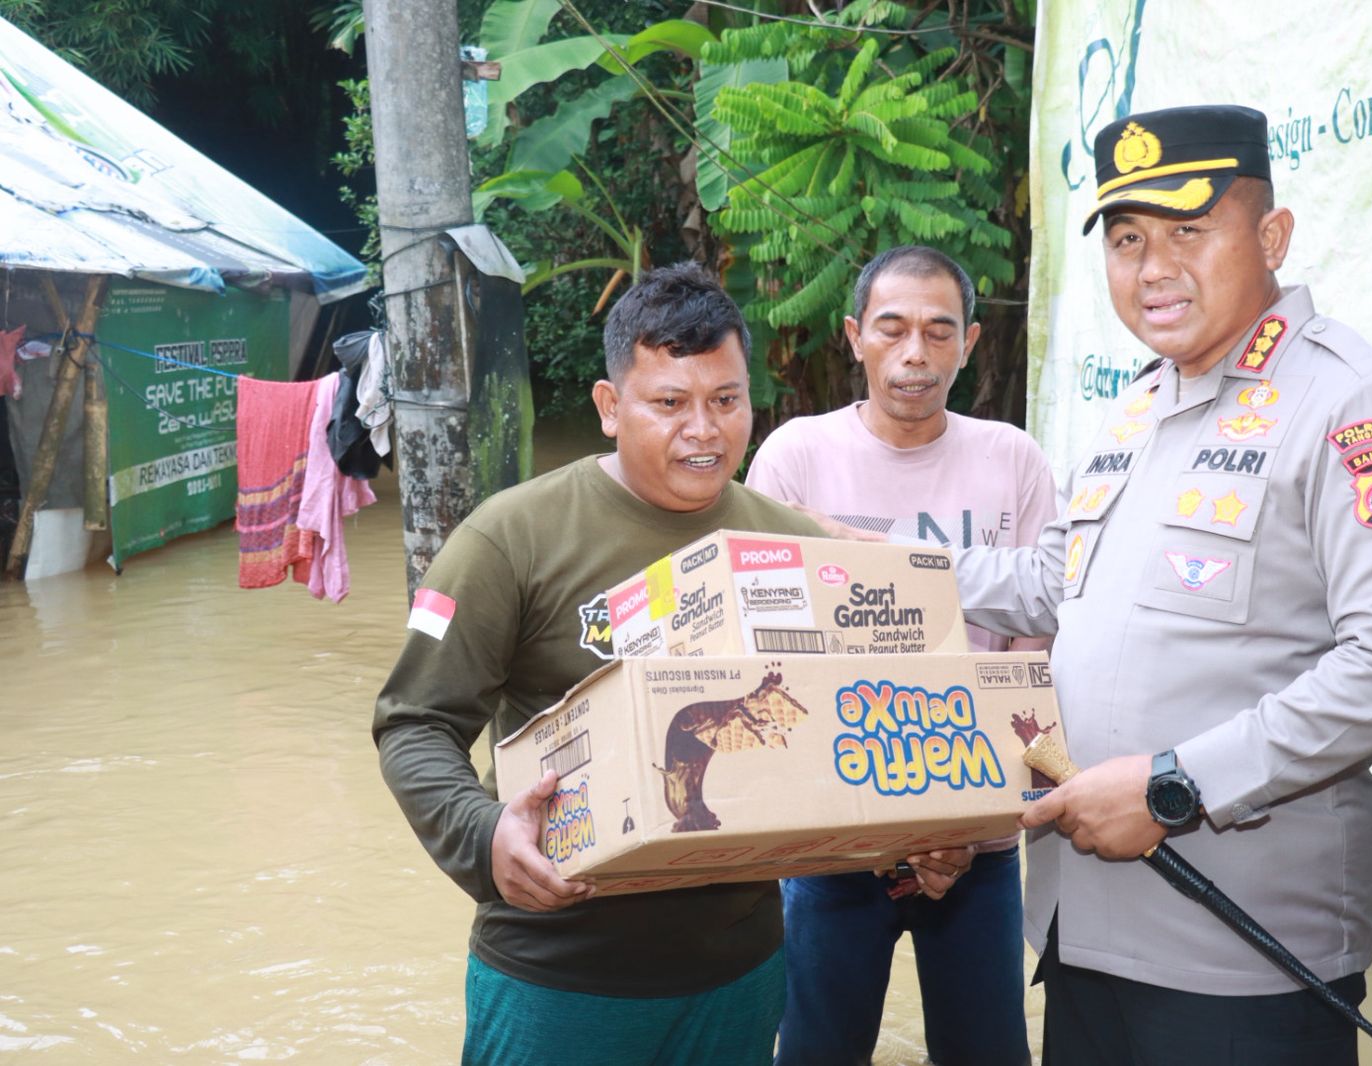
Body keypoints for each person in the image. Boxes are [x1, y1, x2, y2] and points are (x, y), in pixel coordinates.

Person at [950, 105, 1372, 1064]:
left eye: (1189, 230)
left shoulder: (1351, 400)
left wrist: (1176, 788)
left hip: (1240, 955)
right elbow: (1048, 583)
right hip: (1081, 928)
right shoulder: (1136, 408)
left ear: (1271, 235)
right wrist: (879, 561)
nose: (1153, 268)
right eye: (1129, 238)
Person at [373, 262, 971, 1066]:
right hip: (559, 974)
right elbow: (414, 724)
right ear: (610, 407)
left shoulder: (795, 545)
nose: (704, 430)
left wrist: (930, 830)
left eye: (726, 401)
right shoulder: (508, 538)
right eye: (670, 404)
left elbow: (857, 726)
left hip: (741, 973)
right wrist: (485, 839)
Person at [746, 245, 1056, 1066]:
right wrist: (880, 818)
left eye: (937, 331)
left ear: (971, 343)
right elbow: (772, 651)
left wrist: (955, 821)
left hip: (977, 845)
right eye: (891, 329)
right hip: (830, 843)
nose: (914, 355)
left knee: (988, 1051)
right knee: (815, 1051)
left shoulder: (1013, 459)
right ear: (854, 336)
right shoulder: (793, 459)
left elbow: (1033, 641)